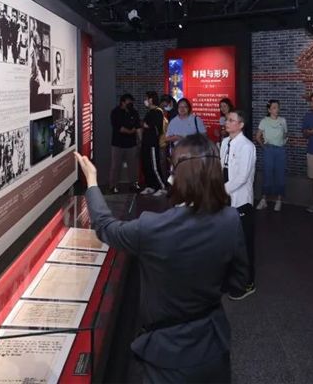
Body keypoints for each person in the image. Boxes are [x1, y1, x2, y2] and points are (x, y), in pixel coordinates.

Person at [76, 135, 248, 383]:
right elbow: (238, 283)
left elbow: (105, 227)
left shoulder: (152, 227)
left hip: (167, 353)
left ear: (178, 175)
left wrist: (92, 182)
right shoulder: (230, 219)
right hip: (213, 343)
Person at [221, 109, 257, 300]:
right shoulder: (225, 142)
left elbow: (242, 177)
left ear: (241, 125)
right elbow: (221, 168)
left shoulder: (247, 146)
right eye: (227, 119)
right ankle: (228, 279)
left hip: (241, 202)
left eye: (231, 120)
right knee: (226, 242)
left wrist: (220, 190)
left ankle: (247, 282)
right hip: (225, 201)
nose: (227, 122)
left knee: (244, 245)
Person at [255, 100, 288, 211]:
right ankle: (263, 200)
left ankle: (279, 200)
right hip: (269, 150)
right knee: (267, 174)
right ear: (269, 110)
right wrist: (264, 147)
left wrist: (283, 141)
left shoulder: (283, 120)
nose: (276, 109)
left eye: (277, 107)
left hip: (280, 150)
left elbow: (285, 134)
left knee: (280, 174)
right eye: (274, 107)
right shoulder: (264, 121)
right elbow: (257, 136)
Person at [109, 93, 141, 192]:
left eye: (131, 102)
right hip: (117, 144)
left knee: (133, 166)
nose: (131, 103)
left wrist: (140, 140)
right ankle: (113, 186)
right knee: (116, 166)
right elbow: (119, 127)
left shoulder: (134, 112)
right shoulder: (115, 112)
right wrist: (130, 131)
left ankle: (134, 184)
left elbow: (137, 126)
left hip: (131, 144)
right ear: (122, 102)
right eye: (129, 101)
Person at [139, 91, 168, 196]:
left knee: (154, 166)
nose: (145, 101)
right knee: (146, 165)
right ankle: (150, 186)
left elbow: (150, 126)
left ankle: (162, 187)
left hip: (152, 143)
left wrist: (143, 124)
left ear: (151, 99)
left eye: (147, 98)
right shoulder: (150, 112)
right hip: (146, 143)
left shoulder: (157, 112)